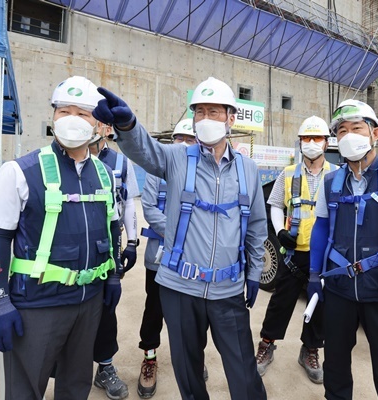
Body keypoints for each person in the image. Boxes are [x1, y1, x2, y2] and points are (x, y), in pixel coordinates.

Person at [92, 76, 268, 400]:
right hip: (179, 288)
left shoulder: (249, 170)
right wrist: (129, 126)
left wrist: (254, 271)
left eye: (213, 112)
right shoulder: (176, 159)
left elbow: (257, 226)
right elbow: (146, 151)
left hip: (228, 291)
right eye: (199, 112)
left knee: (245, 375)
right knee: (189, 373)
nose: (204, 119)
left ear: (230, 118)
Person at [0, 75, 122, 399]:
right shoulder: (20, 171)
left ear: (98, 124)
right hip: (37, 305)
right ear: (53, 117)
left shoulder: (104, 174)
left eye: (82, 113)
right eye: (63, 111)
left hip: (89, 304)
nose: (72, 120)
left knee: (76, 386)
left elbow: (112, 226)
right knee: (24, 390)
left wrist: (112, 276)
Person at [308, 99, 378, 399]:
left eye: (357, 128)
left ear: (375, 133)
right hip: (339, 289)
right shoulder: (331, 182)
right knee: (335, 363)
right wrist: (314, 275)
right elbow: (321, 227)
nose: (349, 135)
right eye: (342, 130)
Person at [255, 115, 333, 383]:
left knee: (318, 304)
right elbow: (276, 203)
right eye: (307, 139)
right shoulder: (288, 174)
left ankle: (310, 350)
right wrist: (279, 232)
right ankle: (266, 345)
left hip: (323, 254)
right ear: (300, 142)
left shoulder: (336, 175)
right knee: (281, 302)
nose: (312, 143)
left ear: (326, 142)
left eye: (317, 138)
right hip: (294, 253)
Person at [137, 118, 200, 398]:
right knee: (155, 310)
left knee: (190, 313)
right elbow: (149, 207)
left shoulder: (202, 173)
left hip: (192, 259)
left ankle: (190, 360)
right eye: (179, 138)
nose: (184, 144)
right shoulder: (156, 171)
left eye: (190, 139)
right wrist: (179, 235)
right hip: (161, 257)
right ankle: (149, 358)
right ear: (171, 141)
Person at [88, 123, 140, 400]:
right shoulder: (60, 158)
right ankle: (69, 369)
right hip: (73, 245)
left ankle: (105, 367)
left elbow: (128, 202)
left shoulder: (120, 162)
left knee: (107, 306)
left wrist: (131, 242)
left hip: (109, 243)